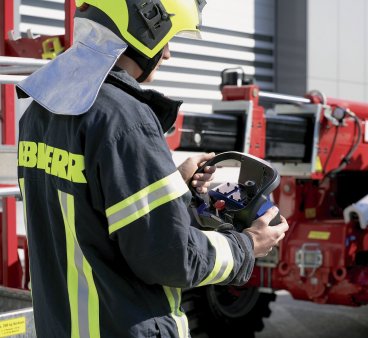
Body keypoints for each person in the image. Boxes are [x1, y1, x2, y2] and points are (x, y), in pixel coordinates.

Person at [16, 0, 289, 337]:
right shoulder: (125, 121)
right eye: (167, 40)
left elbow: (91, 210)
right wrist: (248, 245)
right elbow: (169, 257)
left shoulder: (39, 113)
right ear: (145, 29)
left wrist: (174, 187)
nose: (168, 54)